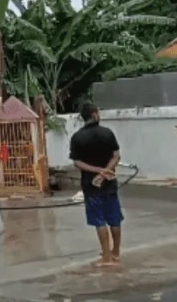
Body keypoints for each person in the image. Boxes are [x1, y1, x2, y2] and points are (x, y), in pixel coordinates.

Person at [69, 102, 123, 267]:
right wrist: (106, 171)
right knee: (114, 219)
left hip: (91, 185)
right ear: (94, 114)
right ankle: (116, 253)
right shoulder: (108, 133)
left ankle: (106, 257)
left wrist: (97, 171)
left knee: (100, 221)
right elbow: (116, 156)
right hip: (110, 182)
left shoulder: (77, 137)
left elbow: (77, 163)